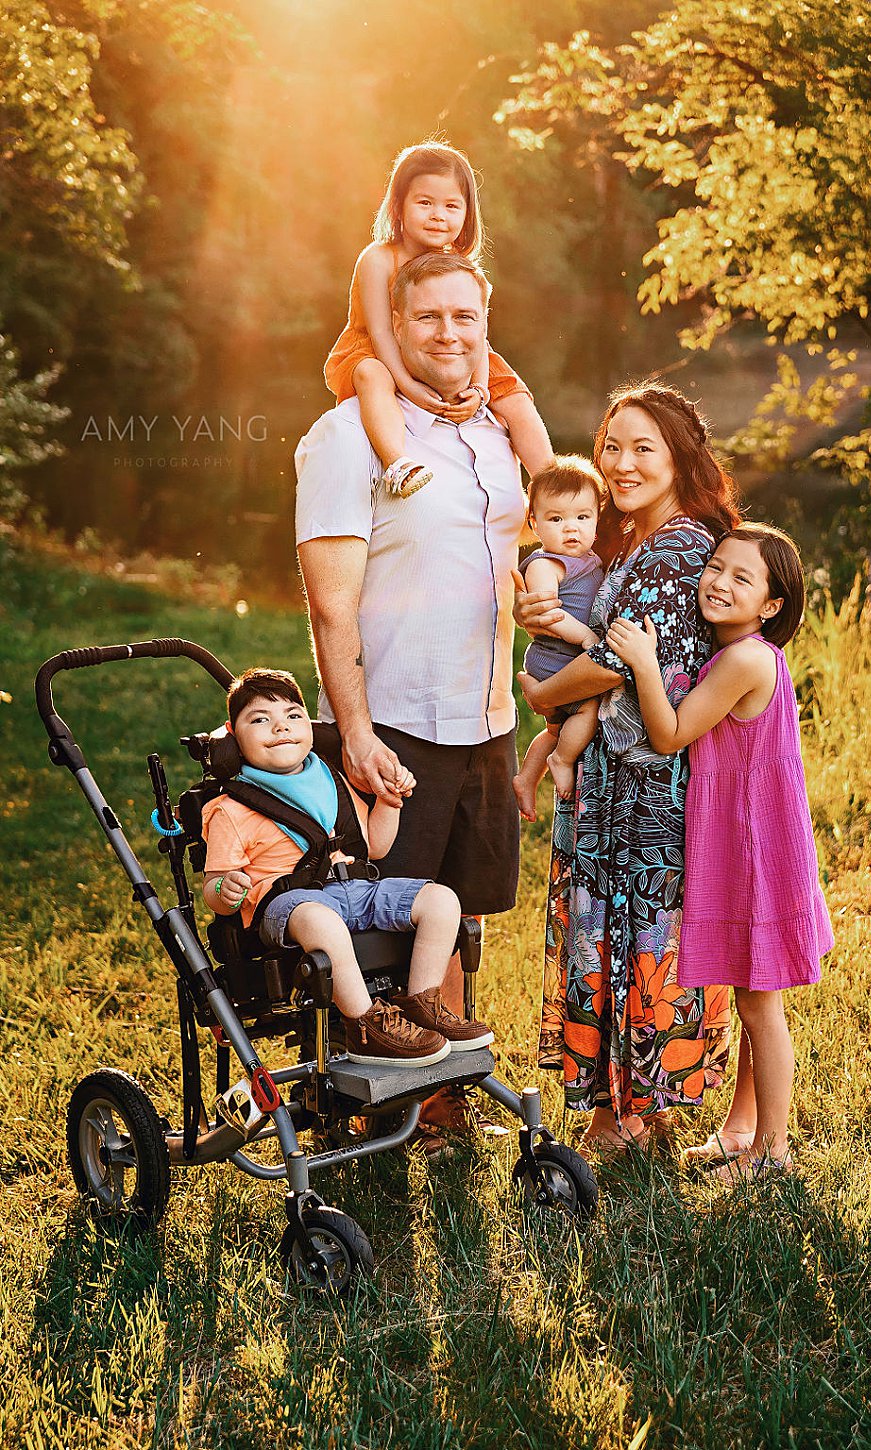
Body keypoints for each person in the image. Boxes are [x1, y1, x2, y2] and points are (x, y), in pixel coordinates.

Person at [296, 249, 526, 1152]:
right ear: (395, 322)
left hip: (487, 715)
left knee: (459, 914)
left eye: (465, 317)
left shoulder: (494, 434)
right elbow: (330, 598)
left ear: (485, 321)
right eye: (427, 317)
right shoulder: (349, 435)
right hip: (396, 716)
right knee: (383, 912)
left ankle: (444, 1103)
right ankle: (366, 1111)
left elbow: (533, 546)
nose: (449, 334)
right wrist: (352, 729)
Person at [518, 382, 739, 1155]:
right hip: (613, 776)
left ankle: (628, 1114)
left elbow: (615, 656)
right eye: (612, 444)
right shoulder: (633, 540)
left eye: (643, 446)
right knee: (612, 935)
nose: (620, 462)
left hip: (645, 783)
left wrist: (543, 694)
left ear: (680, 456)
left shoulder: (680, 543)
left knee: (635, 933)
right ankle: (631, 1110)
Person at [603, 522, 833, 1183]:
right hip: (753, 839)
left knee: (761, 1003)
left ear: (772, 605)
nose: (718, 583)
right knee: (754, 993)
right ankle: (746, 1136)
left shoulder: (745, 659)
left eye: (742, 578)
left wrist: (644, 663)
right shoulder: (736, 653)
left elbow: (671, 733)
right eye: (716, 568)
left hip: (756, 848)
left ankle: (773, 1153)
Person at [198, 668, 493, 1067]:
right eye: (260, 720)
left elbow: (375, 846)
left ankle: (423, 1004)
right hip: (291, 903)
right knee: (321, 920)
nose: (280, 727)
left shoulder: (330, 779)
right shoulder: (230, 809)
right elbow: (215, 892)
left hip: (356, 889)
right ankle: (366, 1024)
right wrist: (225, 889)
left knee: (441, 899)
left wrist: (388, 802)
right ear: (233, 738)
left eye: (292, 715)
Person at [321, 141, 553, 496]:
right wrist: (408, 385)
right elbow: (382, 330)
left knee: (515, 396)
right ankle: (397, 463)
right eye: (424, 203)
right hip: (376, 349)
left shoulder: (461, 266)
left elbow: (479, 335)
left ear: (467, 213)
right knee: (372, 375)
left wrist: (479, 389)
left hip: (444, 348)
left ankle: (554, 485)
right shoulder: (379, 259)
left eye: (451, 206)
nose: (438, 215)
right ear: (399, 206)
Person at [511, 458, 608, 820]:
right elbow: (547, 614)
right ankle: (562, 760)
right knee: (587, 708)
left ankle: (526, 777)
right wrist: (585, 636)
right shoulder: (545, 564)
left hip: (564, 656)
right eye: (556, 519)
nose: (572, 529)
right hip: (555, 656)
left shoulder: (587, 558)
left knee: (555, 728)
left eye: (583, 518)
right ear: (534, 524)